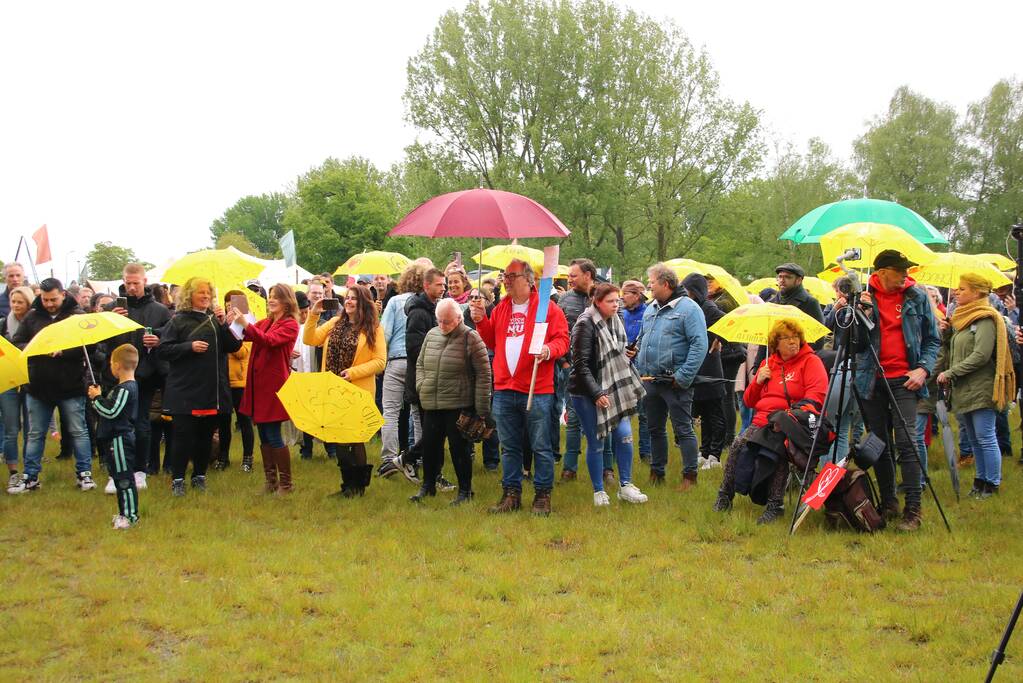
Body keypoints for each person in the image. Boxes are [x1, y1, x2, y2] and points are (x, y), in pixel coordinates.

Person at [469, 258, 570, 515]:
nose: (506, 280)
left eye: (512, 276)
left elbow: (563, 340)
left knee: (540, 445)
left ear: (528, 279)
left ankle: (542, 495)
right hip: (504, 387)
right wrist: (481, 321)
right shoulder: (502, 308)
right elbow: (492, 341)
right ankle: (511, 493)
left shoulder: (546, 307)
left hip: (537, 387)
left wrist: (548, 350)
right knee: (509, 445)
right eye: (505, 275)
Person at [849, 249, 940, 531]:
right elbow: (855, 345)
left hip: (906, 379)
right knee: (878, 443)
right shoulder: (864, 297)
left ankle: (913, 509)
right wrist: (857, 312)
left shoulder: (917, 296)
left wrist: (923, 369)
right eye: (900, 270)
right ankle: (889, 502)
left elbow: (933, 340)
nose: (905, 275)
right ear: (882, 272)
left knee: (907, 442)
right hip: (871, 378)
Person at [714, 320, 828, 523]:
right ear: (775, 343)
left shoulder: (811, 362)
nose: (793, 342)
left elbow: (816, 397)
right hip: (762, 422)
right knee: (739, 444)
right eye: (787, 338)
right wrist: (758, 381)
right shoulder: (768, 364)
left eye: (796, 338)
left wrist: (790, 416)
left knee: (777, 447)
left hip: (792, 421)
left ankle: (776, 505)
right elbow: (749, 401)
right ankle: (725, 495)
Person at [9, 278, 97, 493]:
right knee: (35, 433)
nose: (49, 303)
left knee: (78, 431)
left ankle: (84, 474)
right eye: (45, 299)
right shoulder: (32, 316)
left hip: (71, 385)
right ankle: (30, 476)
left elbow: (91, 346)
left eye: (53, 299)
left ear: (63, 294)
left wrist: (64, 351)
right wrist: (38, 348)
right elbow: (18, 343)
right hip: (38, 387)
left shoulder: (77, 316)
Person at [158, 277, 242, 497]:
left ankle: (199, 476)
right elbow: (163, 350)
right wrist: (188, 347)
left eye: (208, 293)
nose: (205, 296)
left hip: (211, 391)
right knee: (183, 438)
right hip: (185, 390)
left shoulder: (215, 320)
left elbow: (234, 346)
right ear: (189, 295)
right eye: (200, 292)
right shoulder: (177, 321)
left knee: (205, 437)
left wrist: (224, 324)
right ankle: (178, 479)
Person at [935, 273, 1016, 498]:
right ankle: (980, 481)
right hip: (964, 388)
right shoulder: (961, 319)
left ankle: (992, 483)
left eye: (963, 289)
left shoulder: (985, 319)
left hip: (981, 386)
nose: (957, 292)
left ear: (977, 292)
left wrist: (951, 372)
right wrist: (947, 333)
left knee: (985, 436)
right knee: (974, 439)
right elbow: (956, 351)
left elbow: (980, 355)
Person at [569, 283, 649, 506]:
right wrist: (596, 393)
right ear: (597, 301)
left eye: (618, 301)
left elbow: (617, 353)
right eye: (611, 301)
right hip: (586, 391)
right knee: (597, 441)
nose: (616, 305)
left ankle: (626, 485)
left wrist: (629, 353)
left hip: (615, 386)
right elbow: (581, 365)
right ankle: (599, 491)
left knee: (624, 435)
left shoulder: (617, 319)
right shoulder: (585, 325)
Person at [304, 284, 386, 496]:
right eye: (347, 298)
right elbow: (309, 339)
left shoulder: (373, 329)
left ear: (363, 303)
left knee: (354, 438)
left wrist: (354, 372)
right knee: (338, 437)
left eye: (354, 298)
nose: (348, 301)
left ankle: (359, 487)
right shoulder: (334, 323)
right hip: (333, 390)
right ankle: (347, 485)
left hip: (356, 390)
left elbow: (380, 362)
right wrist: (313, 314)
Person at [632, 263, 708, 489]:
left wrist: (682, 376)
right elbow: (644, 337)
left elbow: (699, 345)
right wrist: (635, 354)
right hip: (650, 380)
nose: (648, 286)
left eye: (652, 282)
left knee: (683, 429)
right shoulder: (650, 308)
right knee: (654, 428)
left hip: (675, 382)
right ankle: (657, 473)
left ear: (665, 284)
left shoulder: (689, 309)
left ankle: (690, 477)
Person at [411, 298, 492, 504]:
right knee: (429, 447)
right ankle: (428, 486)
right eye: (439, 320)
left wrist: (482, 410)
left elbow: (484, 375)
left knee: (459, 450)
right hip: (432, 402)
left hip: (458, 404)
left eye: (447, 321)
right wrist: (421, 385)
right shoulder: (431, 334)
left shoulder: (471, 338)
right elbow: (419, 364)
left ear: (458, 318)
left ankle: (465, 491)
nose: (442, 325)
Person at [101, 263, 170, 491]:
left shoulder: (159, 310)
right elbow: (100, 344)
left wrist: (157, 341)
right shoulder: (111, 309)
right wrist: (110, 322)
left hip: (145, 376)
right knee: (115, 426)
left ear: (145, 281)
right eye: (127, 283)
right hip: (116, 377)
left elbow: (169, 338)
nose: (131, 288)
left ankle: (140, 470)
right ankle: (117, 471)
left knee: (141, 425)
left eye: (135, 283)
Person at [229, 284, 301, 494]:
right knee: (263, 432)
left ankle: (286, 484)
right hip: (258, 384)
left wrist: (245, 324)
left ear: (286, 302)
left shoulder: (290, 325)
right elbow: (246, 335)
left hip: (273, 386)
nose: (271, 300)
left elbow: (268, 341)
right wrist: (232, 322)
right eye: (270, 296)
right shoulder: (267, 321)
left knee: (272, 432)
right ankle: (271, 482)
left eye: (276, 297)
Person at [377, 264, 425, 477]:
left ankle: (388, 458)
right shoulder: (427, 304)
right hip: (418, 362)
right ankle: (418, 456)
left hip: (396, 361)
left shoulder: (395, 302)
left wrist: (381, 360)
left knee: (390, 412)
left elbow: (384, 334)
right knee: (417, 414)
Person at [401, 268, 448, 486]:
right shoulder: (419, 313)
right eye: (439, 284)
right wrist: (441, 353)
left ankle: (419, 465)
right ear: (426, 286)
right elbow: (414, 349)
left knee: (436, 431)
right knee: (433, 432)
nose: (444, 288)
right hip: (424, 381)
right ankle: (414, 463)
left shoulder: (437, 310)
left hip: (437, 379)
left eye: (444, 284)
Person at [88, 344, 140, 529]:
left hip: (120, 440)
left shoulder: (126, 389)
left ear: (117, 366)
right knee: (118, 478)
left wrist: (96, 398)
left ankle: (130, 516)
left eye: (111, 363)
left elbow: (111, 411)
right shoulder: (122, 388)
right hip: (115, 439)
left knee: (124, 479)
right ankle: (123, 513)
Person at [682, 273, 728, 470]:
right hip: (699, 366)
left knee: (714, 413)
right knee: (704, 413)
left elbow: (727, 323)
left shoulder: (709, 307)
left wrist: (719, 339)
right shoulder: (693, 307)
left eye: (687, 289)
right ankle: (705, 450)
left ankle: (715, 455)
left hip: (711, 367)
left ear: (695, 291)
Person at [557, 258, 596, 480]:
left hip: (598, 368)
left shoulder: (602, 295)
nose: (569, 279)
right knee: (573, 417)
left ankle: (606, 468)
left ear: (588, 275)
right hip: (571, 367)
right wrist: (563, 362)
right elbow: (558, 331)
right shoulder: (564, 299)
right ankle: (569, 467)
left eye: (573, 275)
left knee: (602, 418)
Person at [299, 278, 337, 460]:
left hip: (323, 368)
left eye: (321, 294)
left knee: (326, 410)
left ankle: (331, 448)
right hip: (305, 369)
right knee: (307, 410)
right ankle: (306, 449)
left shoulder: (330, 315)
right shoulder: (302, 317)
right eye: (314, 293)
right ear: (308, 295)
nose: (318, 296)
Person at [0, 285, 33, 491]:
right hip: (8, 381)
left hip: (31, 380)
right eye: (13, 302)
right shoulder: (4, 324)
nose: (15, 305)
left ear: (28, 303)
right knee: (11, 429)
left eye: (20, 302)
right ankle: (13, 471)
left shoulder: (34, 324)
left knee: (31, 430)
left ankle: (29, 471)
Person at [217, 290, 254, 471]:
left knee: (244, 420)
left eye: (234, 304)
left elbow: (242, 352)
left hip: (240, 381)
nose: (230, 308)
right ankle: (223, 457)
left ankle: (248, 458)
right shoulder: (220, 322)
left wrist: (231, 332)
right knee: (223, 421)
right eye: (228, 304)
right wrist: (224, 326)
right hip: (223, 380)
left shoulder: (246, 324)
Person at [620, 280, 651, 463]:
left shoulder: (648, 313)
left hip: (641, 368)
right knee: (623, 412)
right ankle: (623, 451)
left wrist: (638, 349)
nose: (622, 297)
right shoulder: (620, 313)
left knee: (644, 413)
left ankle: (646, 453)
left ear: (637, 296)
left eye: (626, 293)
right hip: (622, 367)